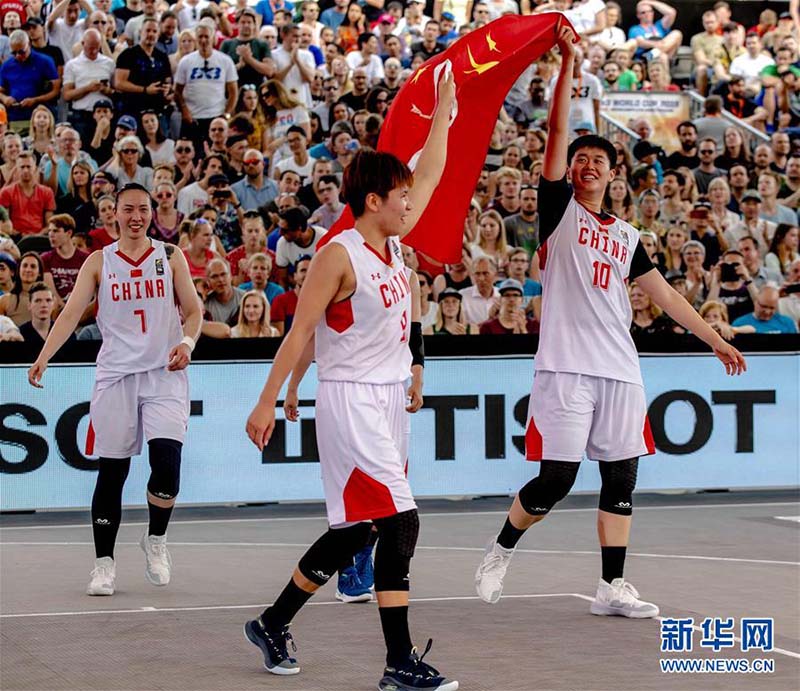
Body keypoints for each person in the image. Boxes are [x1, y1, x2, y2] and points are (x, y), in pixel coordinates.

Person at [474, 24, 745, 622]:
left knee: (621, 480)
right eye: (581, 159)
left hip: (620, 369)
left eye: (598, 159)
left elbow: (668, 298)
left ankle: (611, 587)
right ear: (570, 171)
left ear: (613, 174)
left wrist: (714, 338)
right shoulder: (559, 215)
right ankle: (499, 551)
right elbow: (555, 135)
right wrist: (569, 65)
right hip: (566, 367)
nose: (587, 164)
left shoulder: (627, 236)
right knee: (555, 481)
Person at [243, 72, 457, 690]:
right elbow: (299, 332)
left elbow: (431, 173)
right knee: (400, 522)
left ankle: (272, 621)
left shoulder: (393, 247)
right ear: (372, 201)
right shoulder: (339, 254)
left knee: (356, 528)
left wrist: (443, 111)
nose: (410, 200)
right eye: (399, 194)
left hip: (388, 398)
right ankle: (398, 664)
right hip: (350, 400)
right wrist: (268, 399)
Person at [28, 183, 202, 597]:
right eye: (128, 210)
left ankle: (155, 538)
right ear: (114, 215)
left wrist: (187, 343)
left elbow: (193, 311)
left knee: (167, 469)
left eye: (143, 209)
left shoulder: (171, 256)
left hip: (164, 374)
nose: (136, 216)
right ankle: (103, 564)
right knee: (113, 472)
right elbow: (70, 314)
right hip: (116, 377)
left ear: (153, 213)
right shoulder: (98, 262)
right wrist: (44, 355)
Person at [0, 151, 55, 236]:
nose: (25, 170)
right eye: (22, 167)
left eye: (29, 167)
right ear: (17, 169)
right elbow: (5, 224)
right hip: (15, 238)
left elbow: (50, 224)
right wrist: (20, 235)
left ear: (35, 168)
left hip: (41, 238)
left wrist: (38, 235)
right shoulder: (6, 192)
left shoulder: (47, 192)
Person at [732, 285, 798, 334]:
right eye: (763, 306)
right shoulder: (739, 323)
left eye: (772, 308)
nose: (767, 312)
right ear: (756, 302)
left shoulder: (787, 323)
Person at [270, 254, 309, 335]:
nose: (307, 275)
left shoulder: (324, 301)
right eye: (303, 270)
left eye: (311, 270)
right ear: (295, 276)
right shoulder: (280, 301)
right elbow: (278, 338)